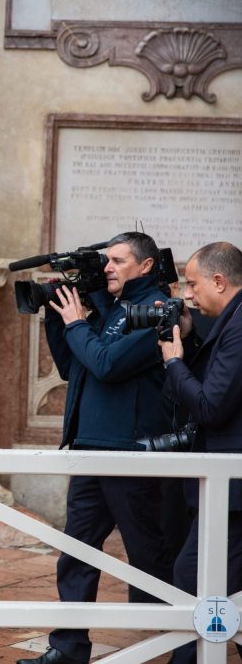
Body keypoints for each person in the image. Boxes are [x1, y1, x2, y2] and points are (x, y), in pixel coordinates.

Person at [18, 232, 174, 664]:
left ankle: (186, 643)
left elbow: (107, 365)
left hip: (128, 449)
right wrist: (57, 316)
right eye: (106, 260)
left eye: (119, 260)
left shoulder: (156, 310)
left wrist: (76, 323)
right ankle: (67, 649)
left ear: (145, 266)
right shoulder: (113, 308)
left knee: (148, 552)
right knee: (77, 551)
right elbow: (75, 366)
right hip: (92, 446)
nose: (107, 266)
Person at [158, 242, 242, 663]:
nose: (187, 294)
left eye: (192, 284)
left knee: (191, 576)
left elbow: (211, 405)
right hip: (228, 488)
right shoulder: (231, 318)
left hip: (235, 491)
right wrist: (189, 342)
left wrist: (174, 363)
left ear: (219, 281)